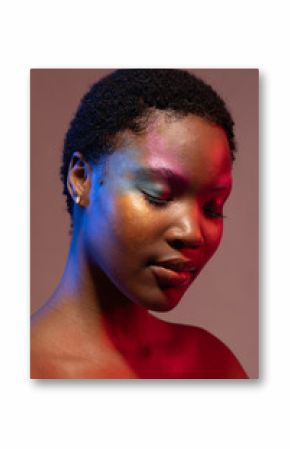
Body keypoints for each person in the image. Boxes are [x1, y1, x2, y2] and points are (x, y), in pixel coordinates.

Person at [31, 69, 248, 379]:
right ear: (81, 179)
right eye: (158, 195)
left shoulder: (214, 366)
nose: (193, 233)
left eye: (212, 208)